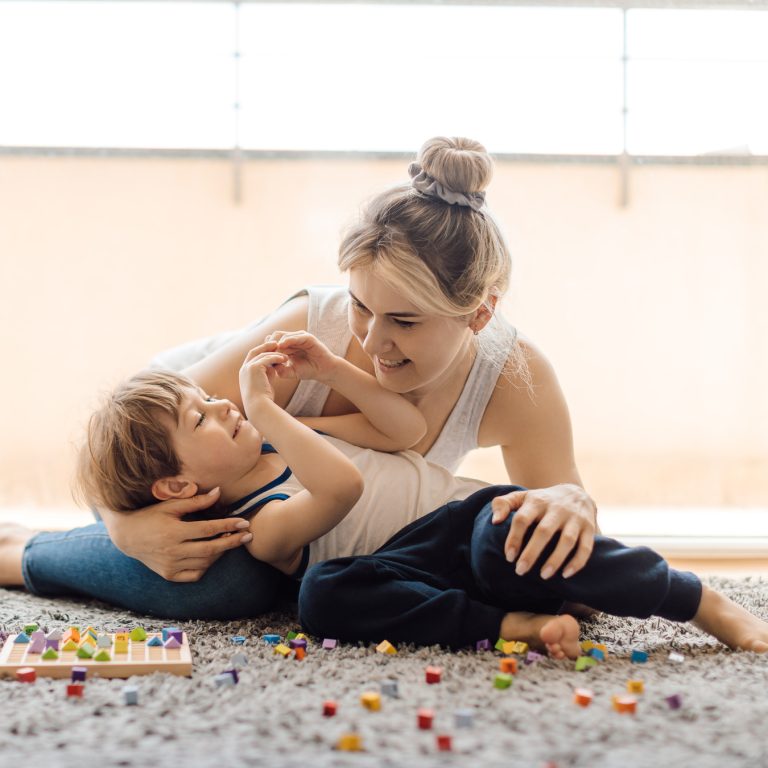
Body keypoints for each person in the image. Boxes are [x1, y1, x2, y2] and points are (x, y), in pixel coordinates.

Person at [0, 136, 597, 618]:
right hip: (171, 439)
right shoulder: (302, 338)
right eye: (361, 306)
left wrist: (574, 502)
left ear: (479, 314)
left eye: (405, 321)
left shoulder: (515, 379)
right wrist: (127, 528)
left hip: (293, 515)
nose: (370, 341)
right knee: (230, 585)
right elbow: (125, 451)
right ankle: (19, 551)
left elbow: (567, 527)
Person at [56, 340, 768, 655]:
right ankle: (508, 625)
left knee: (511, 529)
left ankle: (694, 599)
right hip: (416, 571)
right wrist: (267, 411)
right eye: (201, 417)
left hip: (466, 523)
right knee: (323, 598)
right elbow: (343, 487)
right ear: (180, 485)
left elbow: (405, 429)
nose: (223, 407)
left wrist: (331, 371)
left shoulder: (291, 431)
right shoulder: (259, 527)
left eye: (212, 400)